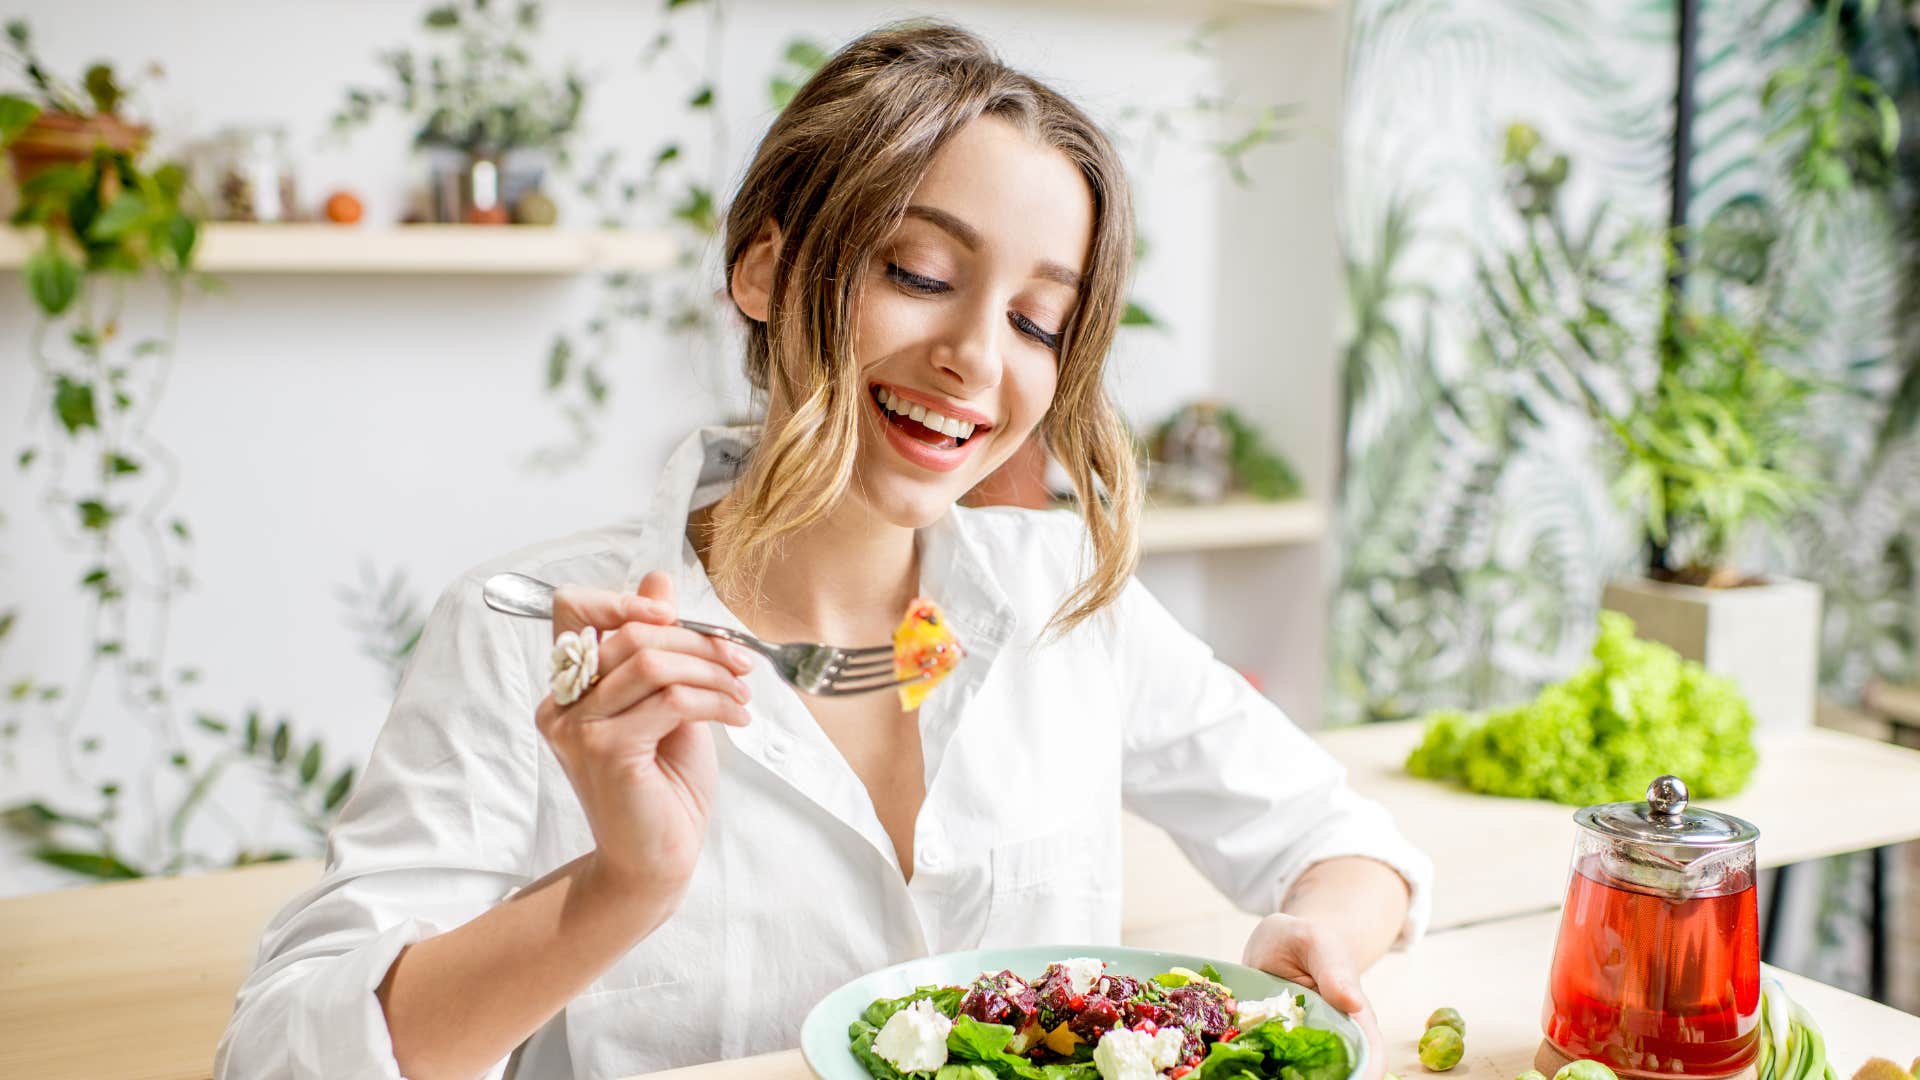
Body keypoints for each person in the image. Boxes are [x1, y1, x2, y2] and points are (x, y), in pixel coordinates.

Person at [215, 20, 1431, 1080]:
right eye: (918, 272)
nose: (976, 358)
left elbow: (1342, 839)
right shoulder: (532, 629)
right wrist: (620, 886)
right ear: (765, 266)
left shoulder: (1066, 596)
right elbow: (282, 1056)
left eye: (1035, 320)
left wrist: (1320, 932)